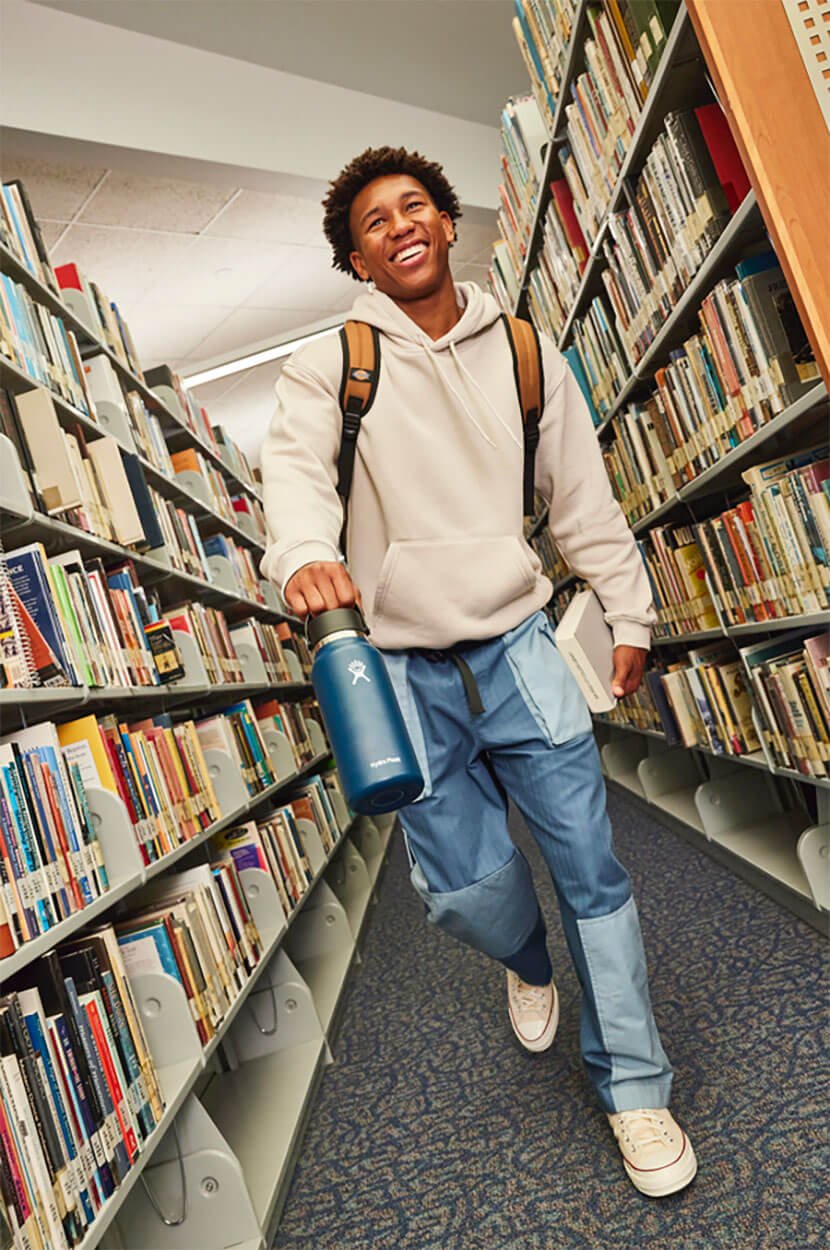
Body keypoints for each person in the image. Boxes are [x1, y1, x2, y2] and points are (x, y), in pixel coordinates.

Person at [260, 146, 697, 1199]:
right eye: (372, 220)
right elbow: (292, 471)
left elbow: (580, 500)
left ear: (446, 223)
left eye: (414, 205)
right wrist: (301, 553)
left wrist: (627, 610)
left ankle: (635, 1086)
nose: (398, 224)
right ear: (355, 254)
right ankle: (524, 957)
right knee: (460, 889)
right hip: (400, 674)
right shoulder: (332, 364)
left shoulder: (526, 353)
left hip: (517, 648)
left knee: (592, 872)